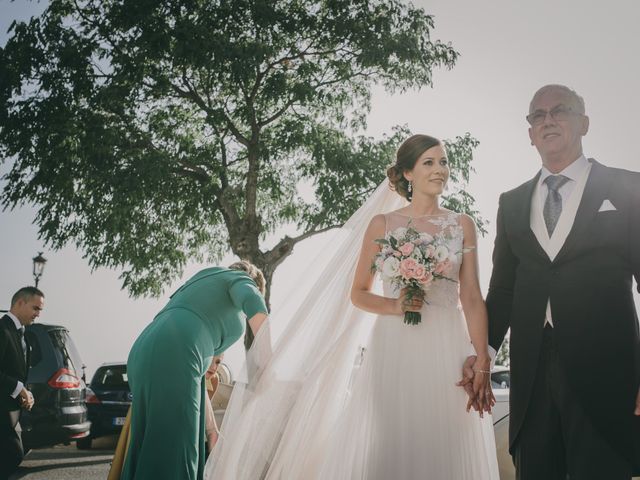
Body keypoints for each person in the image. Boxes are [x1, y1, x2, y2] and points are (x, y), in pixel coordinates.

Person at [205, 135, 499, 479]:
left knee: (449, 439)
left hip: (448, 343)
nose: (440, 170)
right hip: (395, 345)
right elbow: (359, 293)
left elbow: (473, 297)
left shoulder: (461, 224)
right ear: (407, 173)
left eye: (444, 162)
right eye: (429, 162)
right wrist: (396, 304)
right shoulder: (383, 225)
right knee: (394, 437)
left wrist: (482, 361)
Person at [476, 84, 640, 479]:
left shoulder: (629, 188)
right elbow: (502, 291)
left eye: (560, 110)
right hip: (531, 376)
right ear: (530, 132)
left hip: (608, 373)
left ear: (583, 122)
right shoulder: (511, 202)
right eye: (538, 115)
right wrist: (484, 355)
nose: (548, 119)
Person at [121, 262, 268, 480]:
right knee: (176, 449)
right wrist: (269, 361)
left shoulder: (199, 282)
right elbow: (253, 300)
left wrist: (211, 430)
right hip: (178, 347)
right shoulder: (236, 279)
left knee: (150, 443)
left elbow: (195, 380)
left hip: (143, 350)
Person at [0, 287, 43, 478]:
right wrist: (18, 388)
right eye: (35, 308)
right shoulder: (2, 330)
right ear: (20, 303)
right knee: (13, 453)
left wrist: (25, 391)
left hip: (11, 409)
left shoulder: (22, 332)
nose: (38, 314)